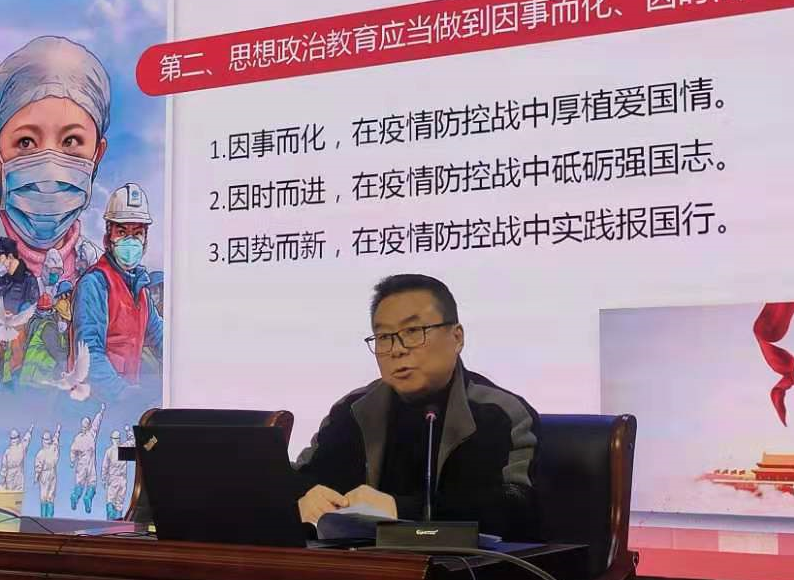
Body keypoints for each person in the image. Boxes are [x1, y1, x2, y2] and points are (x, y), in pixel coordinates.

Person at [294, 274, 539, 540]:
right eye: (384, 336)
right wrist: (304, 499)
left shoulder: (500, 414)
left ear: (457, 337)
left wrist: (400, 511)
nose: (396, 350)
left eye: (412, 332)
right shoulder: (353, 410)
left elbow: (515, 507)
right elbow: (297, 479)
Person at [0, 36, 108, 281]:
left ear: (97, 155)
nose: (50, 170)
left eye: (71, 141)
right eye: (26, 142)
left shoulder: (97, 272)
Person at [71, 183, 163, 400]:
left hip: (123, 400)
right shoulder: (94, 284)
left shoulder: (140, 290)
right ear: (107, 239)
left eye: (137, 233)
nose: (130, 241)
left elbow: (160, 336)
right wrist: (123, 394)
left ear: (145, 241)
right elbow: (89, 354)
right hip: (90, 403)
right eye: (122, 232)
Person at [18, 293, 67, 387]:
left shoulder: (33, 322)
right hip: (38, 379)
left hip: (30, 376)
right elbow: (56, 352)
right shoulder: (48, 327)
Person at [69, 404, 104, 514]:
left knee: (90, 483)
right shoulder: (80, 437)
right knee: (83, 483)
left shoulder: (89, 434)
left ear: (88, 426)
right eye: (83, 425)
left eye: (86, 425)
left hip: (89, 464)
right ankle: (76, 497)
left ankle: (85, 498)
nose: (84, 427)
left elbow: (96, 423)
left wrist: (101, 412)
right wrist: (72, 460)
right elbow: (73, 450)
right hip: (83, 464)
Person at [101, 425, 134, 520]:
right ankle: (112, 521)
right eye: (115, 438)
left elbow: (132, 442)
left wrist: (128, 432)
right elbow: (105, 466)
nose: (116, 440)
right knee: (114, 502)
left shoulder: (121, 449)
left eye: (117, 438)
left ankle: (115, 522)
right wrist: (104, 479)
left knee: (116, 502)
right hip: (116, 479)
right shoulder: (111, 451)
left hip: (119, 479)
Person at [0, 237, 39, 313]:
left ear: (10, 256)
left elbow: (34, 301)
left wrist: (20, 310)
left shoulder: (28, 278)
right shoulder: (4, 278)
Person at [33, 424, 61, 518]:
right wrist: (58, 431)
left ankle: (47, 517)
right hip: (48, 473)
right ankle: (46, 517)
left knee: (47, 495)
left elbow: (38, 467)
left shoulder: (43, 452)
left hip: (48, 473)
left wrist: (36, 476)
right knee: (47, 495)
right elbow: (56, 440)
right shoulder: (50, 449)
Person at [0, 424, 34, 491]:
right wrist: (30, 430)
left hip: (11, 475)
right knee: (18, 492)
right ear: (18, 437)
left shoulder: (8, 451)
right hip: (18, 474)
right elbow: (26, 439)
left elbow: (4, 468)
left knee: (10, 492)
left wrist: (2, 480)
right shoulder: (21, 447)